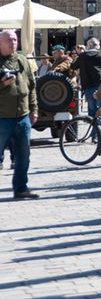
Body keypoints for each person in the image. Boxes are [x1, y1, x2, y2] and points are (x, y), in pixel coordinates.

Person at [0, 29, 38, 198]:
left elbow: (32, 86)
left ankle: (21, 188)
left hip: (22, 116)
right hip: (2, 117)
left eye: (15, 40)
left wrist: (34, 109)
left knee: (24, 155)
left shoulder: (22, 59)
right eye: (9, 40)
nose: (13, 43)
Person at [71, 37, 101, 125]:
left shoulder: (83, 56)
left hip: (88, 86)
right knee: (100, 110)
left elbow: (73, 66)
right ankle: (97, 133)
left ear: (88, 46)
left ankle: (95, 135)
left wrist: (79, 54)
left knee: (92, 111)